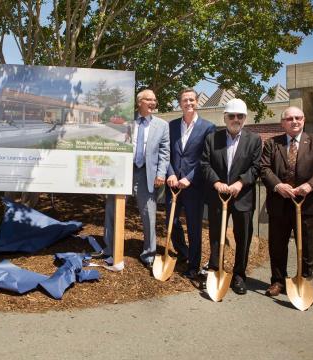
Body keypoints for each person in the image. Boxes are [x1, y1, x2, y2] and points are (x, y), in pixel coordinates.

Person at [260, 106, 313, 296]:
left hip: (305, 203)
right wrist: (278, 186)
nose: (294, 121)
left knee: (305, 244)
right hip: (278, 204)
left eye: (298, 117)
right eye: (289, 118)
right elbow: (264, 168)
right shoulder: (272, 144)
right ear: (283, 123)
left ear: (304, 119)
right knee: (277, 245)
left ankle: (305, 279)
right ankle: (278, 281)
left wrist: (309, 186)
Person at [98, 89, 169, 268]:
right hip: (123, 172)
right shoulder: (126, 121)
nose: (153, 103)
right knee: (112, 209)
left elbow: (164, 152)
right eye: (149, 99)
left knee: (149, 215)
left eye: (155, 99)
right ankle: (109, 249)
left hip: (147, 175)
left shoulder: (162, 125)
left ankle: (149, 255)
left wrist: (161, 174)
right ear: (139, 102)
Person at [201, 99, 262, 294]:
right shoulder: (212, 139)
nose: (236, 119)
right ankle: (215, 269)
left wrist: (240, 182)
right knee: (216, 236)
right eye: (232, 116)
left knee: (243, 237)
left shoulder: (254, 140)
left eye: (240, 116)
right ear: (225, 117)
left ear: (245, 118)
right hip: (218, 196)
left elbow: (256, 167)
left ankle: (239, 275)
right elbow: (204, 164)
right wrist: (216, 182)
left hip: (242, 197)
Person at [166, 88, 216, 282]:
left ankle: (193, 265)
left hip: (194, 187)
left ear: (197, 102)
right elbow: (167, 153)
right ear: (180, 104)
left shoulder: (208, 127)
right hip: (173, 185)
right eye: (185, 100)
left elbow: (206, 158)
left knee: (194, 227)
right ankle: (183, 251)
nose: (188, 103)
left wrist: (189, 178)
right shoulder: (171, 126)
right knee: (171, 221)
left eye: (192, 100)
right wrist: (170, 174)